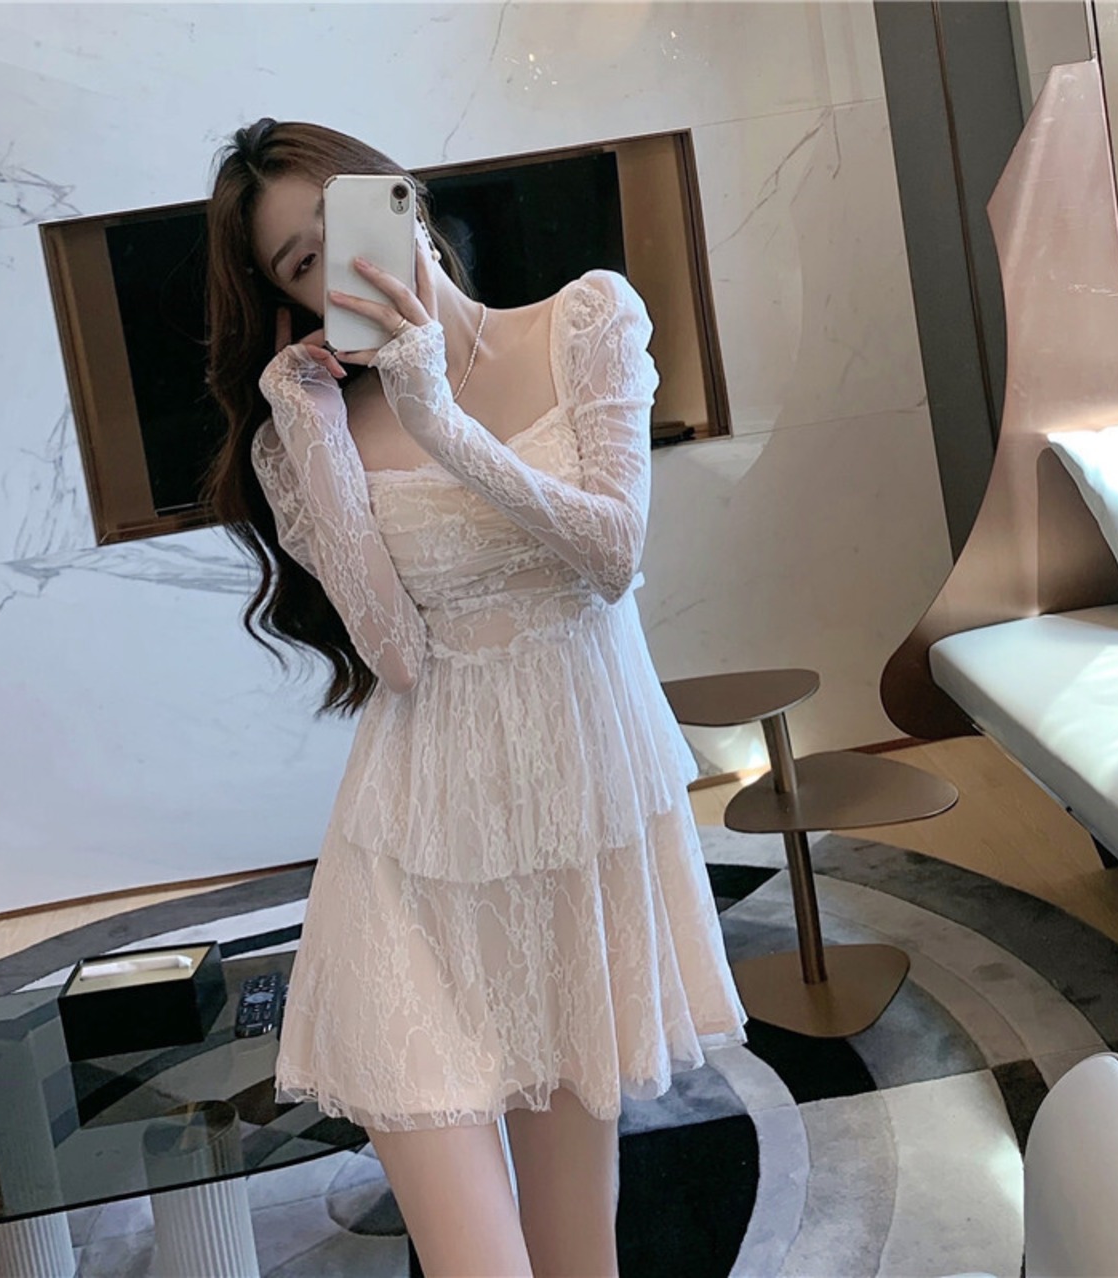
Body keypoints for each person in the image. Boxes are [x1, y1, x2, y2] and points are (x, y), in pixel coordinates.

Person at [205, 119, 747, 1278]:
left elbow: (612, 554)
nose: (340, 265)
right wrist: (313, 441)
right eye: (301, 262)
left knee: (576, 1253)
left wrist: (438, 421)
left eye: (344, 222)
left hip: (571, 850)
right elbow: (395, 657)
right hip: (409, 863)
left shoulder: (583, 320)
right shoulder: (311, 431)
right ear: (286, 297)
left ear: (399, 196)